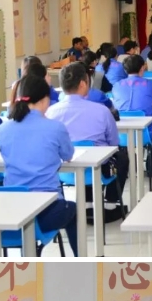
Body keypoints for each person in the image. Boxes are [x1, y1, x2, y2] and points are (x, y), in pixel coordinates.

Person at [0, 74, 78, 255]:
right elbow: (68, 155)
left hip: (12, 210)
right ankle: (81, 261)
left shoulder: (4, 128)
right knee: (74, 210)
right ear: (44, 100)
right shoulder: (55, 127)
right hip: (45, 211)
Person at [46, 62, 127, 212]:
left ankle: (87, 202)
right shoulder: (102, 111)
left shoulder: (50, 112)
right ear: (83, 84)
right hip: (98, 169)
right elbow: (114, 143)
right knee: (121, 155)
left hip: (64, 170)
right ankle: (111, 202)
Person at [113, 55, 152, 172]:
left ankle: (126, 166)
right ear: (142, 68)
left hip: (121, 134)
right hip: (146, 133)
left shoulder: (116, 86)